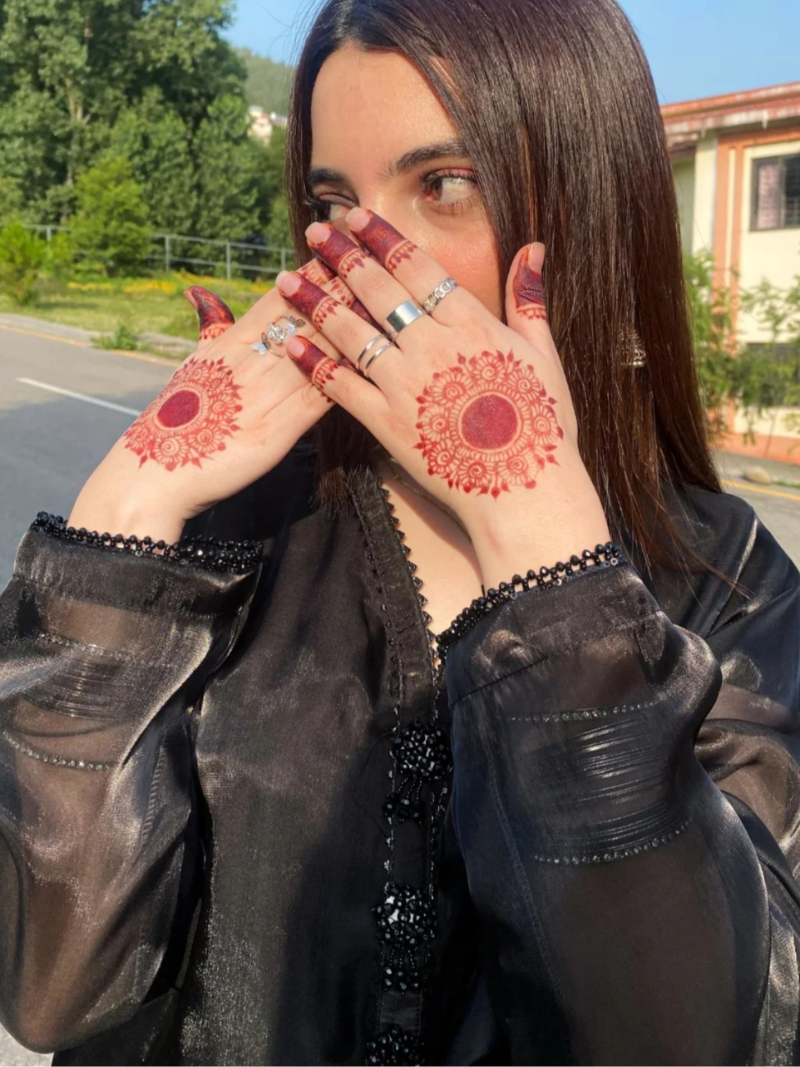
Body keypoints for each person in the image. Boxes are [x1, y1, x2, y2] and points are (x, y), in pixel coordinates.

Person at [1, 0, 799, 1062]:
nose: (359, 260)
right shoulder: (227, 528)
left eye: (444, 185)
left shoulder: (724, 577)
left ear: (588, 209)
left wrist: (548, 555)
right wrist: (127, 515)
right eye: (333, 203)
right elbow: (52, 987)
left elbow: (692, 1036)